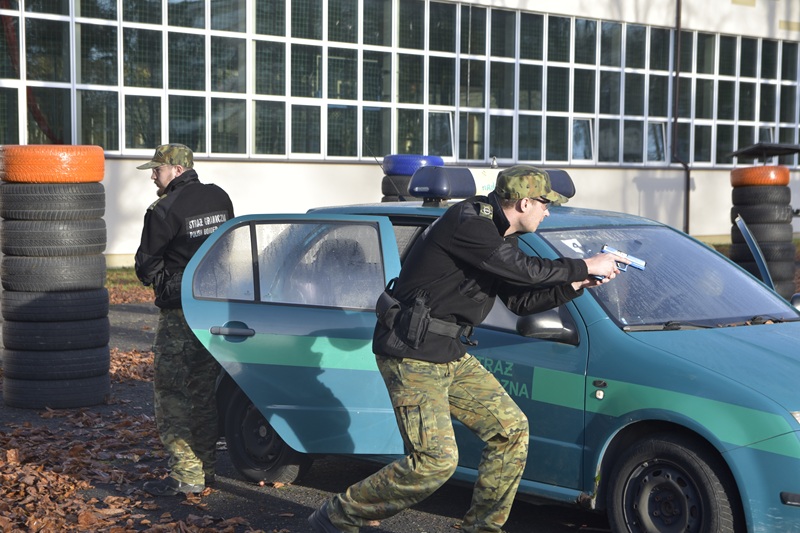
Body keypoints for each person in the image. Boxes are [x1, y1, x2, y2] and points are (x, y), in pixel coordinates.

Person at [309, 165, 626, 533]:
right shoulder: (470, 221)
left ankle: (482, 528)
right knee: (434, 461)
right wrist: (584, 264)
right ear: (524, 203)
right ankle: (338, 516)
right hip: (411, 353)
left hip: (448, 352)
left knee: (510, 430)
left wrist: (577, 284)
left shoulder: (502, 237)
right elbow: (525, 270)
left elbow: (520, 301)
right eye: (545, 204)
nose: (547, 212)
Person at [134, 143, 235, 497]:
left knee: (172, 394)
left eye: (157, 169)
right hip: (214, 309)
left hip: (179, 314)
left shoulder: (163, 209)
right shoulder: (220, 198)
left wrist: (166, 280)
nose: (152, 176)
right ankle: (206, 468)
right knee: (203, 392)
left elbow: (145, 267)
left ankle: (187, 475)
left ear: (177, 170)